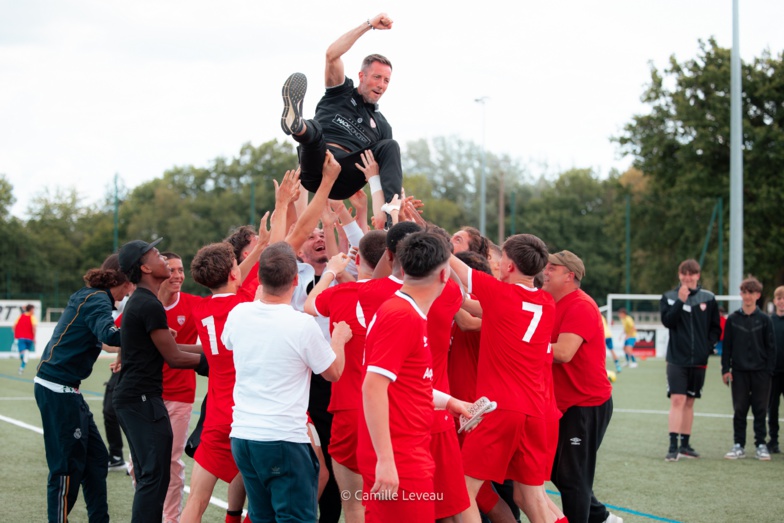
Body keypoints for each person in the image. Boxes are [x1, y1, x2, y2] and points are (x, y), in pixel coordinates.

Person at [222, 241, 353, 523]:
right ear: (296, 279)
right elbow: (333, 372)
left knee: (262, 516)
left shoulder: (239, 314)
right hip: (282, 437)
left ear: (258, 280)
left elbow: (228, 341)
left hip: (244, 435)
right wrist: (339, 340)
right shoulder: (301, 324)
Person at [358, 230, 468, 523]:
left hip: (406, 452)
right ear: (445, 275)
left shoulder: (406, 311)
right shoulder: (401, 315)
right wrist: (386, 460)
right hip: (400, 456)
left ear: (403, 268)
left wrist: (451, 403)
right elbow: (372, 387)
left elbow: (408, 384)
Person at [450, 233, 557, 523]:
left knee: (460, 493)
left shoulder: (500, 293)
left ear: (510, 266)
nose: (497, 265)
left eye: (502, 259)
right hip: (534, 412)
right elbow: (477, 307)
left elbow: (449, 261)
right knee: (533, 498)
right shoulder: (547, 303)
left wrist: (420, 229)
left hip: (500, 409)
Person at [113, 239, 204, 522]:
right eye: (155, 254)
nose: (161, 257)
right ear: (144, 267)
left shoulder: (144, 301)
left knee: (152, 475)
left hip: (136, 399)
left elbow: (173, 349)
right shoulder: (148, 304)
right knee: (154, 477)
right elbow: (174, 357)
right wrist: (219, 364)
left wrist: (216, 352)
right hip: (141, 401)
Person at [33, 259, 126, 523]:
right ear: (119, 280)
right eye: (131, 281)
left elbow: (107, 343)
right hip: (58, 390)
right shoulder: (97, 300)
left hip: (67, 390)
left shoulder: (90, 297)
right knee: (66, 468)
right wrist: (151, 334)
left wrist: (126, 348)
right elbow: (109, 335)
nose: (132, 289)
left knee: (96, 459)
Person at [280, 13, 402, 203]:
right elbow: (332, 54)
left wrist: (399, 200)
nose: (381, 85)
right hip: (317, 163)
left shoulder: (382, 126)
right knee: (315, 131)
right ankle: (297, 125)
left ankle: (391, 216)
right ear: (362, 76)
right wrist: (369, 25)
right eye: (377, 77)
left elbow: (388, 171)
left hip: (346, 178)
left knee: (390, 146)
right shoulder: (341, 92)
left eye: (386, 80)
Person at [542, 250, 619, 523]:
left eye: (552, 268)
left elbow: (563, 352)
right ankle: (602, 518)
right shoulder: (549, 301)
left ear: (569, 276)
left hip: (586, 404)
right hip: (562, 404)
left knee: (572, 477)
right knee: (553, 469)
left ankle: (597, 518)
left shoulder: (581, 305)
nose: (545, 271)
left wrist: (521, 346)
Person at [660, 259, 721, 461]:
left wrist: (708, 347)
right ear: (679, 275)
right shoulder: (669, 297)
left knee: (690, 402)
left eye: (691, 274)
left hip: (699, 360)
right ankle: (672, 446)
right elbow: (668, 321)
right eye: (684, 274)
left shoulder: (709, 298)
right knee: (677, 400)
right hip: (676, 359)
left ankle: (685, 445)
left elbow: (715, 328)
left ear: (697, 275)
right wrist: (680, 300)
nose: (688, 277)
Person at [157, 251, 202, 523]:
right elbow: (112, 338)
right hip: (145, 395)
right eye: (171, 270)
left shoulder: (194, 304)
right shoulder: (144, 304)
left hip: (180, 395)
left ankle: (170, 518)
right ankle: (148, 512)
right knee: (142, 464)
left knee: (171, 462)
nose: (177, 276)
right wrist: (124, 352)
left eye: (180, 270)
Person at [721, 277, 775, 461]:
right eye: (744, 292)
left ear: (758, 295)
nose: (747, 296)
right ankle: (738, 445)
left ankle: (761, 444)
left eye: (751, 293)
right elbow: (726, 346)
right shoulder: (733, 320)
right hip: (739, 372)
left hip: (761, 373)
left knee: (760, 409)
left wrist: (769, 371)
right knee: (740, 409)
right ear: (741, 294)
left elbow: (771, 348)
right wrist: (725, 369)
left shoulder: (766, 320)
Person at [768, 286, 784, 454]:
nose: (782, 302)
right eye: (779, 298)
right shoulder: (769, 322)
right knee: (772, 408)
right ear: (775, 301)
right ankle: (773, 440)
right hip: (773, 373)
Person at [14, 303, 36, 374]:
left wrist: (17, 333)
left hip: (21, 338)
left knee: (22, 354)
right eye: (33, 309)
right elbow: (34, 328)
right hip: (29, 338)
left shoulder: (21, 316)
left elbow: (14, 326)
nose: (34, 311)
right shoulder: (32, 317)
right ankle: (21, 368)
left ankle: (21, 366)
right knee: (26, 354)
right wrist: (34, 338)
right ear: (31, 309)